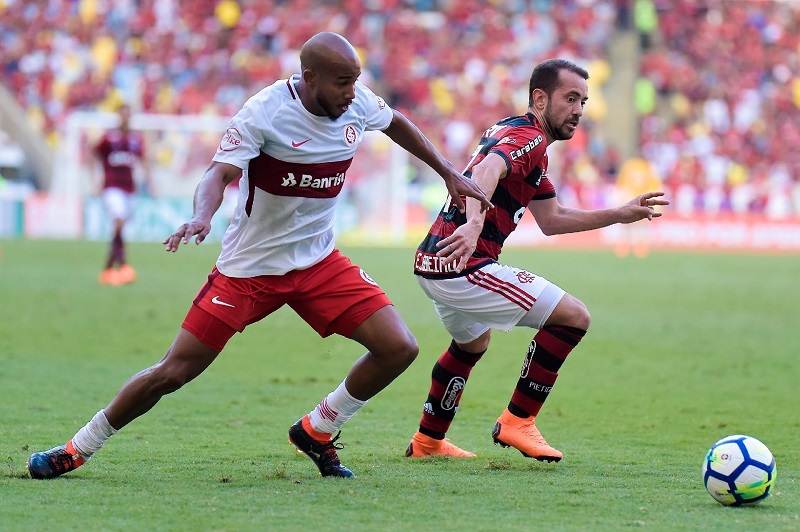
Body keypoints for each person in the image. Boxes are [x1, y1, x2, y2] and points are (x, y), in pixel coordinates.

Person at [27, 32, 492, 480]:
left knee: (398, 348)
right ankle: (77, 448)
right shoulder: (265, 113)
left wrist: (449, 173)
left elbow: (396, 124)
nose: (353, 92)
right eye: (342, 82)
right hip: (249, 270)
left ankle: (318, 429)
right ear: (309, 77)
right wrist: (201, 216)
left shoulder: (359, 101)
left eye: (355, 80)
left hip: (318, 262)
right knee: (174, 371)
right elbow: (217, 174)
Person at [404, 59, 669, 460]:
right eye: (570, 98)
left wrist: (619, 213)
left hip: (437, 258)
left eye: (583, 100)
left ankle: (427, 441)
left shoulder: (524, 141)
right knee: (574, 317)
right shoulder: (530, 138)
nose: (579, 110)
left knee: (471, 343)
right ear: (540, 99)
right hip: (463, 261)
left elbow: (552, 219)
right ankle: (518, 421)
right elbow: (490, 168)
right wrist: (475, 224)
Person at [92, 104, 152, 286]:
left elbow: (143, 160)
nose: (125, 118)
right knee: (118, 221)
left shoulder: (136, 139)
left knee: (121, 227)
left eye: (128, 115)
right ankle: (123, 264)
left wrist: (150, 183)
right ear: (118, 117)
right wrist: (95, 179)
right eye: (122, 115)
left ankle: (109, 267)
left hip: (129, 188)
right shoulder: (109, 138)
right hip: (112, 187)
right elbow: (94, 155)